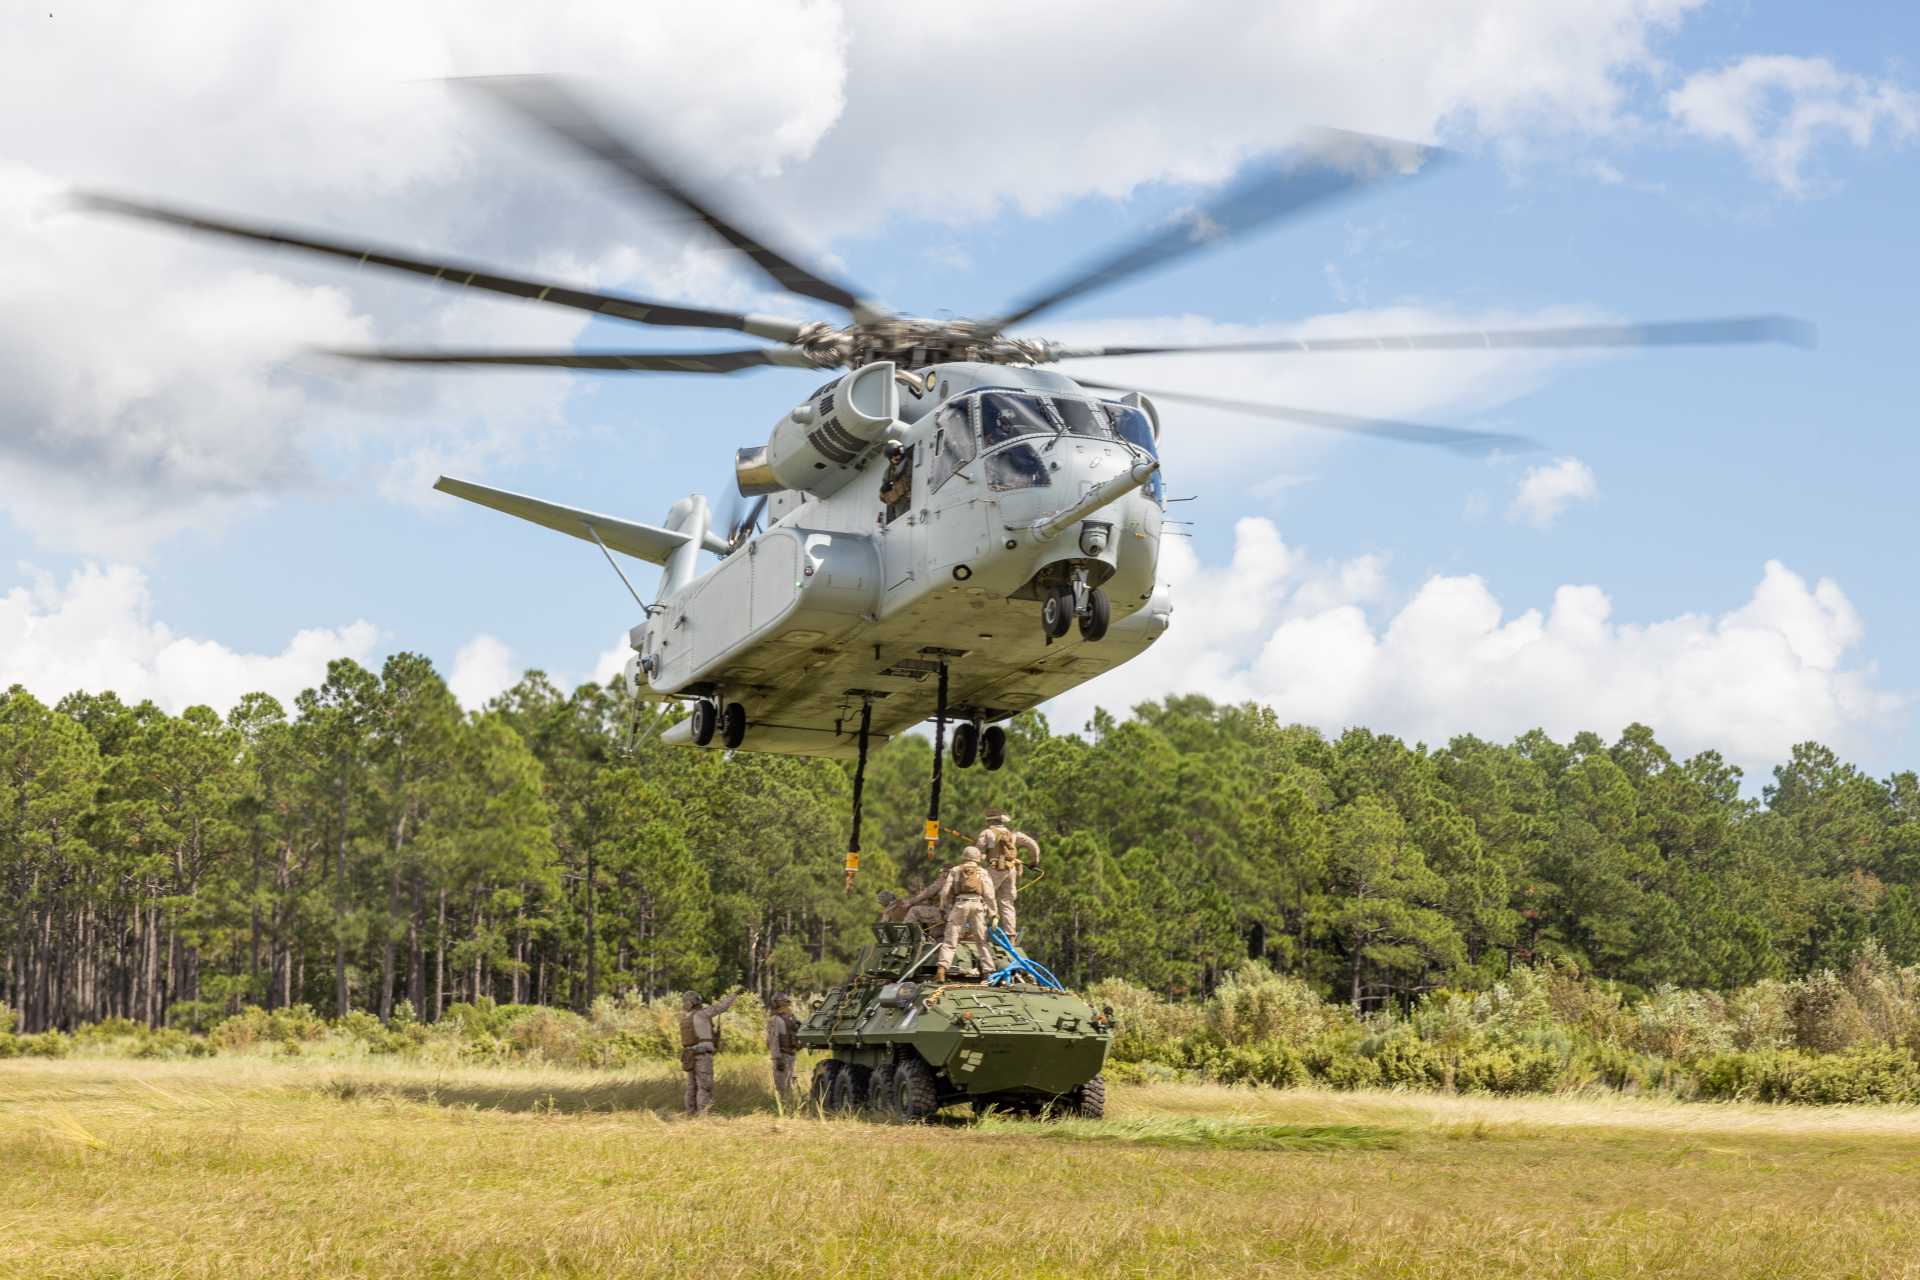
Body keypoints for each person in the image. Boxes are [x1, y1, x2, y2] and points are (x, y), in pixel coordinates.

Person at [931, 845, 999, 984]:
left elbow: (945, 892)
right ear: (978, 858)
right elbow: (989, 894)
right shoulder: (982, 872)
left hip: (960, 904)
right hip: (977, 905)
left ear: (964, 856)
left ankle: (941, 971)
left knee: (951, 940)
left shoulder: (955, 870)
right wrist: (993, 914)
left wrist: (943, 906)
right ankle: (987, 972)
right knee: (981, 941)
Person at [977, 806, 1040, 943]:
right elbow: (1033, 845)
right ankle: (1010, 936)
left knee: (981, 898)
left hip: (995, 869)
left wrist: (981, 855)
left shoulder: (987, 833)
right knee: (1007, 902)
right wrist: (1034, 861)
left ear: (989, 821)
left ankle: (978, 932)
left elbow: (978, 855)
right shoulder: (1014, 834)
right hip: (1011, 870)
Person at [679, 989, 741, 1116]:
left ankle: (690, 1113)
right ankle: (704, 1115)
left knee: (692, 1086)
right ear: (696, 1001)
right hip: (702, 1056)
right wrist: (734, 995)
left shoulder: (685, 1018)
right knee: (704, 1086)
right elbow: (721, 1007)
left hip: (689, 1056)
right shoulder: (702, 1014)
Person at [766, 993, 800, 1106]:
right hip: (791, 1054)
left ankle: (784, 1105)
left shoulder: (776, 1019)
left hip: (782, 1055)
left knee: (781, 1083)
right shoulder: (792, 1018)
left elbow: (774, 1040)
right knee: (789, 1081)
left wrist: (776, 1057)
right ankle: (791, 1104)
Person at [879, 443, 911, 509]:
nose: (896, 457)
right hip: (901, 510)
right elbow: (884, 499)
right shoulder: (888, 474)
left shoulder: (911, 465)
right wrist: (883, 490)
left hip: (914, 501)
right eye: (892, 455)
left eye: (897, 454)